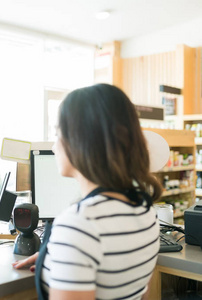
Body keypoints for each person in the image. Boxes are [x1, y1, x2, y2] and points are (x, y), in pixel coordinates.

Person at [13, 83, 162, 299]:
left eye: (58, 135)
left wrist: (71, 246)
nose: (54, 147)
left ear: (81, 141)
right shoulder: (145, 211)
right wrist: (62, 256)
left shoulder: (79, 225)